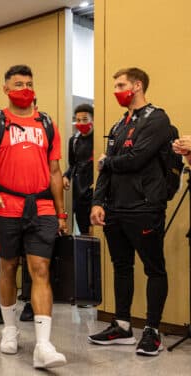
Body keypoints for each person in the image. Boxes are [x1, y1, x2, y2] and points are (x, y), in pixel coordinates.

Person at [0, 65, 68, 369]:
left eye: (29, 83)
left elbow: (55, 172)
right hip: (7, 206)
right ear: (5, 89)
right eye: (18, 84)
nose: (25, 88)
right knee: (8, 266)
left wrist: (61, 211)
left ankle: (43, 344)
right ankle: (10, 330)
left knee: (40, 267)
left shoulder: (47, 124)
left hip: (42, 208)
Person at [89, 67, 171, 356]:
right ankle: (122, 326)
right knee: (121, 267)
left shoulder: (157, 118)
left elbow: (137, 158)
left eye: (121, 85)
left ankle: (152, 330)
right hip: (115, 209)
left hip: (144, 208)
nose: (116, 90)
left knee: (154, 268)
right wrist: (97, 202)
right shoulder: (118, 124)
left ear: (137, 85)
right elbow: (105, 168)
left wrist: (106, 161)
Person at [63, 104, 94, 235]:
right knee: (84, 232)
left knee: (95, 231)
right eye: (78, 120)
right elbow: (73, 164)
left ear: (92, 119)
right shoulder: (74, 141)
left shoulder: (98, 139)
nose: (81, 123)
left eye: (85, 119)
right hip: (79, 193)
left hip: (94, 193)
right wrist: (66, 176)